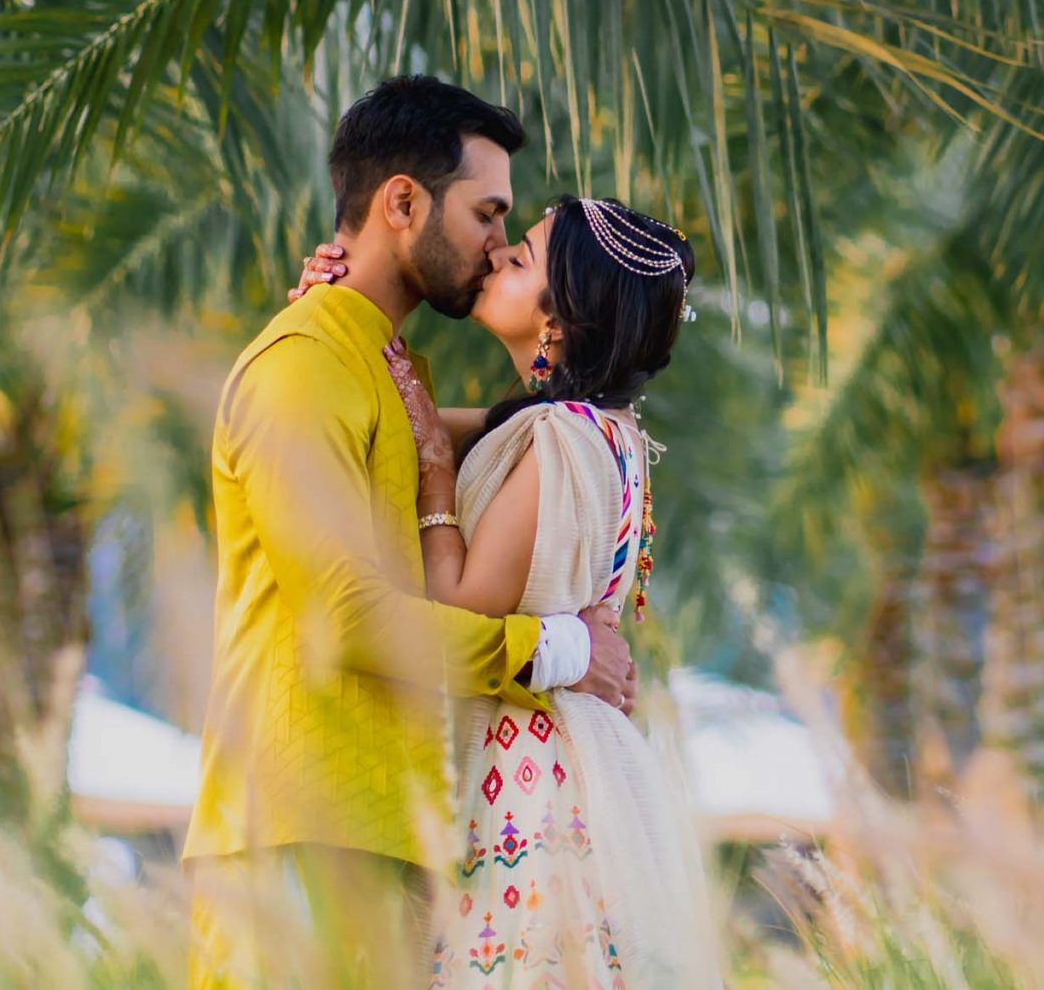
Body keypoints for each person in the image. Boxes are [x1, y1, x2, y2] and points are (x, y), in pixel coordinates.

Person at [183, 77, 638, 990]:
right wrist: (557, 649)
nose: (498, 246)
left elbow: (529, 427)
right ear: (402, 202)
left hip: (388, 837)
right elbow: (347, 619)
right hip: (295, 838)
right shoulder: (302, 368)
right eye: (487, 214)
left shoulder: (385, 374)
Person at [293, 194, 723, 988]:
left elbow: (457, 603)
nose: (495, 257)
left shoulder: (558, 439)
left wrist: (433, 478)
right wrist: (336, 309)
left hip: (522, 776)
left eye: (520, 259)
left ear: (558, 321)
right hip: (562, 753)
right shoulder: (590, 428)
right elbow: (389, 417)